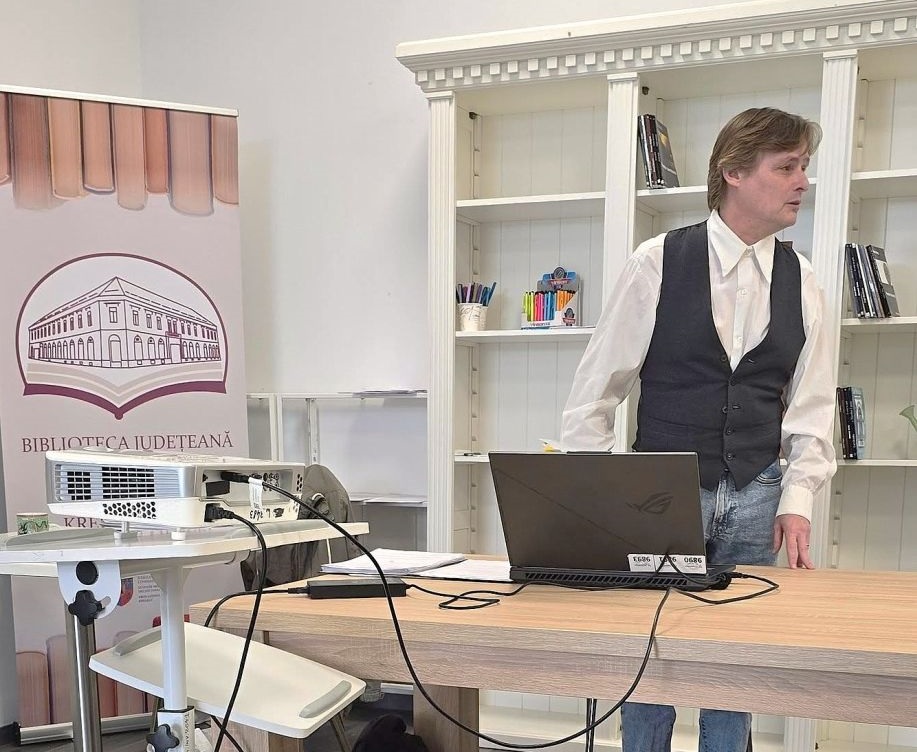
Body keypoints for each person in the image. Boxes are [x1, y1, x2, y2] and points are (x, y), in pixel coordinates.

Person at [559, 107, 837, 752]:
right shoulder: (658, 261)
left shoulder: (805, 281)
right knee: (648, 657)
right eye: (786, 167)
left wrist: (798, 498)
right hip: (659, 493)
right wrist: (595, 493)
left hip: (758, 493)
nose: (802, 182)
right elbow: (596, 389)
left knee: (733, 662)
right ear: (733, 172)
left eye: (804, 167)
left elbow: (812, 405)